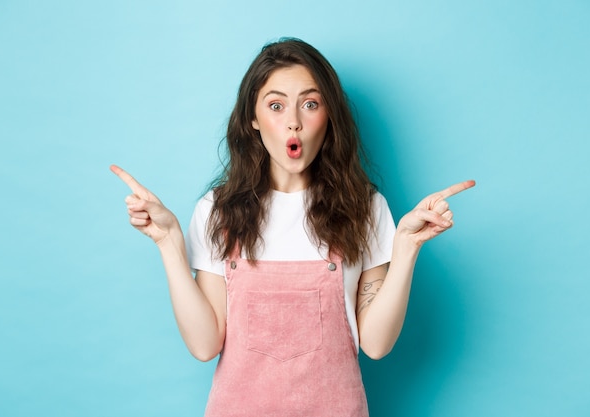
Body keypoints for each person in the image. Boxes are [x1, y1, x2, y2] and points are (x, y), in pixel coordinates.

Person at [111, 38, 475, 417]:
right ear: (252, 119)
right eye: (276, 105)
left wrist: (406, 248)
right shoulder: (217, 212)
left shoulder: (365, 208)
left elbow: (377, 344)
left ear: (329, 115)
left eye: (310, 104)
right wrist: (169, 242)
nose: (294, 122)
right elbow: (204, 346)